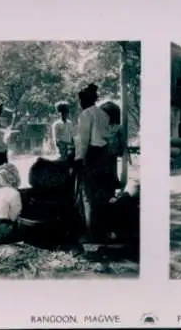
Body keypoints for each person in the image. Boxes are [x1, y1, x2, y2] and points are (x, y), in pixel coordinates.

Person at [74, 83, 114, 242]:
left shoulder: (86, 114)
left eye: (80, 100)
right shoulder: (104, 114)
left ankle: (92, 233)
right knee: (102, 194)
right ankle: (103, 230)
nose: (79, 103)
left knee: (88, 196)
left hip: (92, 155)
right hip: (104, 155)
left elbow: (84, 140)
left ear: (84, 100)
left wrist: (78, 159)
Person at [100, 101, 124, 189]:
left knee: (112, 167)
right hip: (102, 150)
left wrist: (121, 149)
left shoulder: (117, 126)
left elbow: (121, 138)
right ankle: (105, 184)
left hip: (112, 150)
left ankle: (113, 183)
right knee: (104, 168)